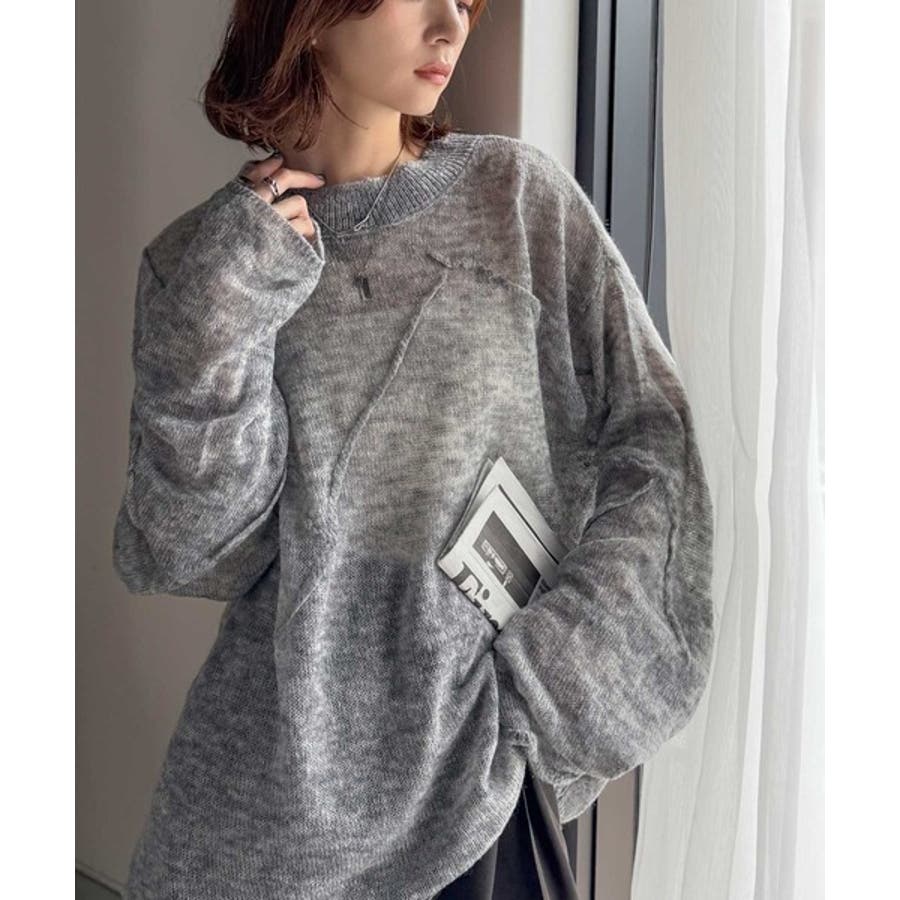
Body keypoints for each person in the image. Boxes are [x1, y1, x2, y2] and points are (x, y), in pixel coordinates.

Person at [111, 1, 717, 898]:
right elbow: (196, 548)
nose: (452, 26)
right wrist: (229, 304)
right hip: (269, 821)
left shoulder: (516, 201)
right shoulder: (206, 263)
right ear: (310, 13)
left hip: (475, 800)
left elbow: (655, 441)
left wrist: (553, 679)